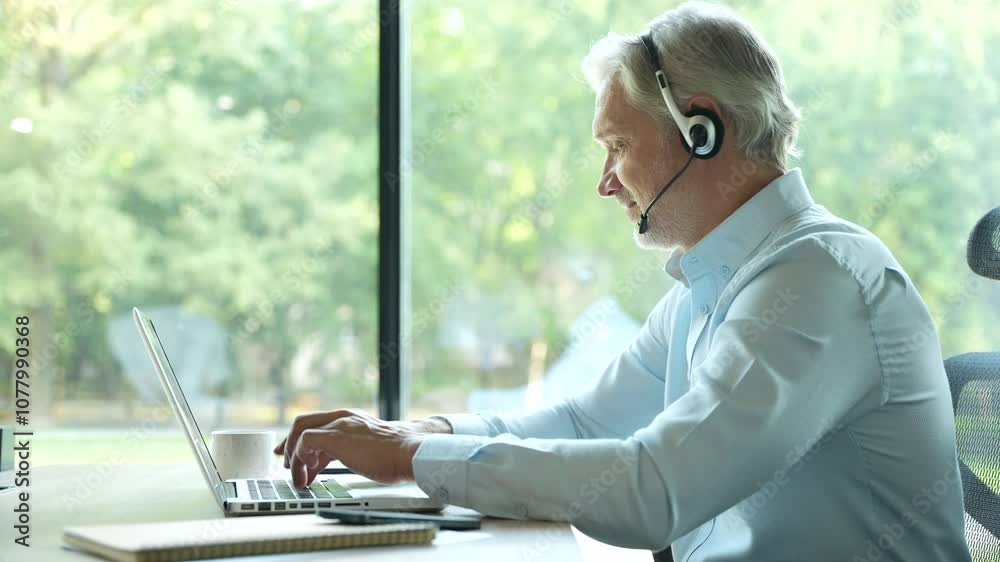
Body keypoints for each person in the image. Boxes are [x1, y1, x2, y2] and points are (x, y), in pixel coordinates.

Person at [274, 2, 971, 560]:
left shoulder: (819, 282)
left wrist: (413, 458)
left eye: (617, 145)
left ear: (703, 129)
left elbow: (653, 492)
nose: (605, 183)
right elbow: (581, 420)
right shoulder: (711, 286)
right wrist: (424, 429)